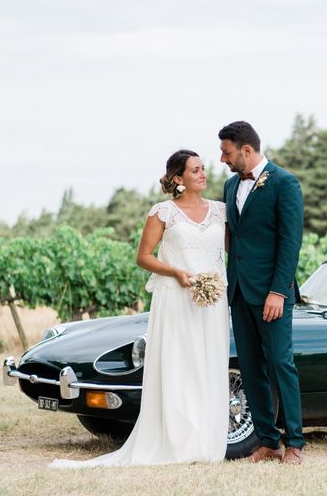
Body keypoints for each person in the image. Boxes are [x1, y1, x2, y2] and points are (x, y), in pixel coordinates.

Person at [50, 149, 230, 468]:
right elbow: (143, 256)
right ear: (178, 178)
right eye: (195, 170)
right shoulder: (163, 212)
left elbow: (232, 249)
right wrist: (176, 272)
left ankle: (205, 442)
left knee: (209, 365)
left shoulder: (220, 211)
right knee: (180, 367)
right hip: (176, 299)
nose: (204, 174)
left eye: (204, 169)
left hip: (212, 302)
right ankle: (177, 443)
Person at [219, 121, 305, 465]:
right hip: (239, 291)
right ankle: (268, 441)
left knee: (281, 364)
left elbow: (290, 243)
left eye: (227, 152)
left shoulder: (285, 183)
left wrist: (278, 292)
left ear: (247, 150)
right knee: (251, 368)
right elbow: (233, 237)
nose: (223, 159)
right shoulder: (229, 185)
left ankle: (295, 443)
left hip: (272, 293)